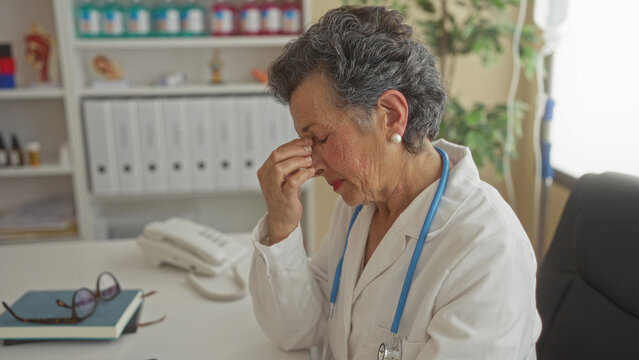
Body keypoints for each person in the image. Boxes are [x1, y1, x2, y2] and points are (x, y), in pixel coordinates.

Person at [249, 5, 541, 360]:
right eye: (305, 142)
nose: (314, 164)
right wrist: (282, 221)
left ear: (392, 116)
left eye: (320, 138)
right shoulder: (359, 206)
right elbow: (298, 330)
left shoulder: (488, 249)